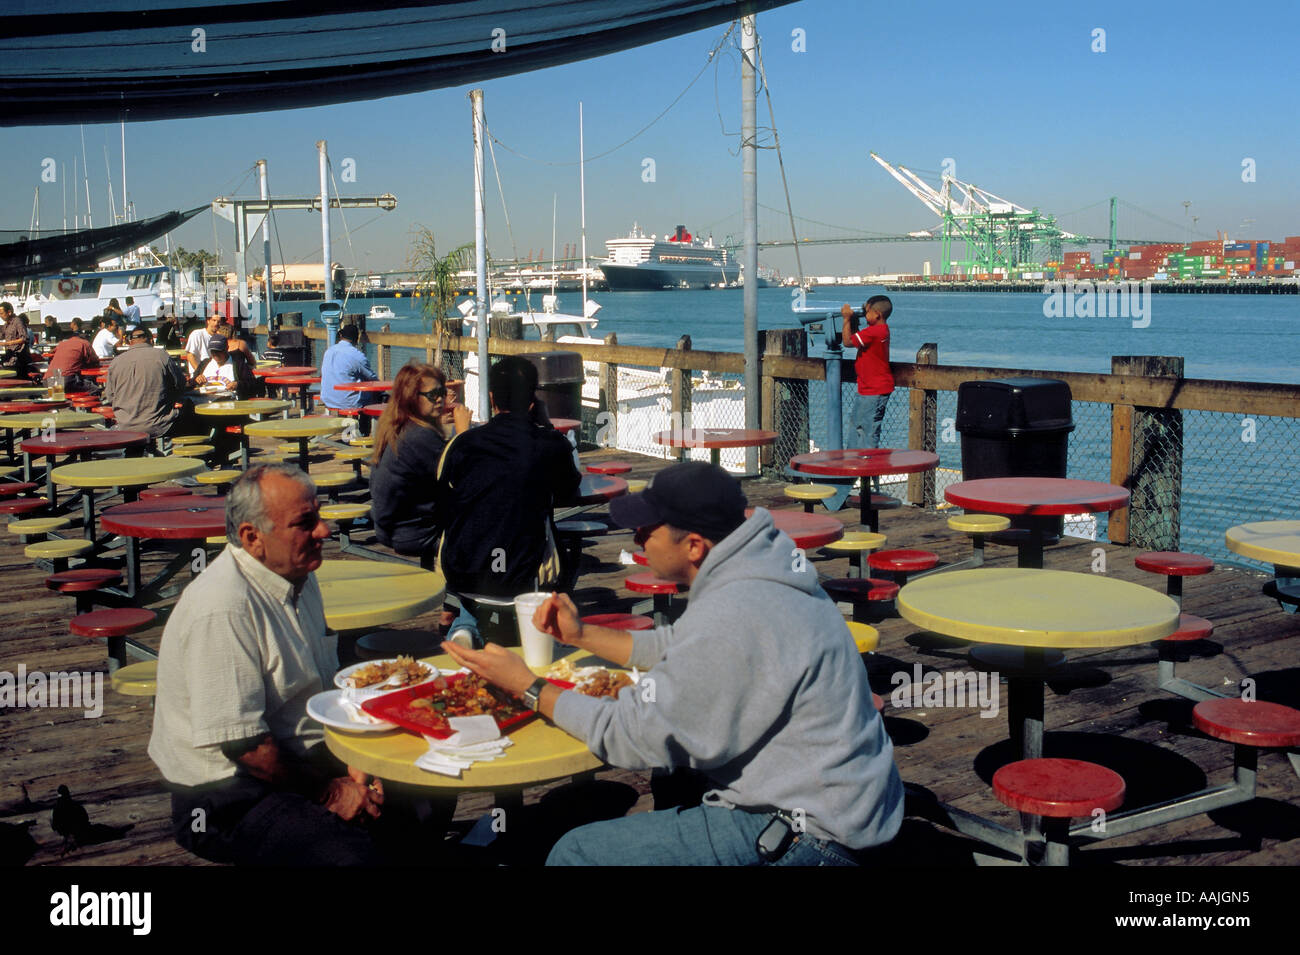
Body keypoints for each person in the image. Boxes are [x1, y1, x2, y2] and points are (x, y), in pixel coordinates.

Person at [443, 461, 904, 866]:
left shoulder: (736, 609)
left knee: (575, 852)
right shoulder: (765, 570)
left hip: (813, 838)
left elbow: (638, 736)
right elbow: (683, 647)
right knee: (674, 784)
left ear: (695, 546)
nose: (637, 536)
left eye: (649, 529)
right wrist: (580, 635)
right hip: (854, 805)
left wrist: (528, 687)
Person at [148, 464, 388, 865]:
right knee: (347, 854)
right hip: (224, 794)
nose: (324, 531)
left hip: (298, 754)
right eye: (305, 523)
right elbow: (246, 747)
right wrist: (334, 792)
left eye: (320, 516)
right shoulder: (223, 606)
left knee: (425, 789)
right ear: (251, 537)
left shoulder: (298, 575)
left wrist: (360, 762)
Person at [433, 355, 580, 616]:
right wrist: (544, 424)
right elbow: (569, 490)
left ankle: (464, 624)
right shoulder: (551, 445)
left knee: (479, 598)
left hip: (463, 573)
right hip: (522, 577)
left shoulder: (461, 445)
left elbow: (442, 501)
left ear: (491, 398)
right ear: (533, 401)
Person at [369, 363, 471, 560]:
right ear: (412, 398)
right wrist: (463, 433)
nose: (440, 399)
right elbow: (462, 473)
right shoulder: (418, 436)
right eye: (433, 395)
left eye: (442, 391)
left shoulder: (399, 425)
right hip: (413, 533)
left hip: (390, 526)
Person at [102, 324, 194, 437]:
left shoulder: (116, 362)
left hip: (125, 426)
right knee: (191, 412)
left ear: (130, 342)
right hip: (160, 425)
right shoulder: (162, 356)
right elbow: (181, 385)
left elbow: (111, 397)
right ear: (151, 340)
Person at [842, 295, 894, 450]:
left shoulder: (874, 332)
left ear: (877, 314)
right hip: (868, 388)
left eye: (867, 312)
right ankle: (854, 464)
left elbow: (848, 341)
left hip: (873, 389)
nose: (865, 314)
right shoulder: (881, 330)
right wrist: (854, 321)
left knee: (867, 430)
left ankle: (867, 466)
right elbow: (858, 340)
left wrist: (846, 319)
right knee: (858, 427)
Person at [319, 324, 378, 411]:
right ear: (357, 339)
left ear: (341, 336)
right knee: (375, 395)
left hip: (328, 399)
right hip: (349, 403)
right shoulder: (357, 356)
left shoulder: (328, 351)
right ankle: (366, 423)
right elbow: (372, 378)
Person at [44, 328, 100, 392]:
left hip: (48, 380)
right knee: (95, 390)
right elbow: (94, 361)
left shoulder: (62, 344)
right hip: (66, 380)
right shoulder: (85, 343)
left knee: (61, 396)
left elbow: (51, 353)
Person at [0, 302, 37, 380]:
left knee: (18, 379)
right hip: (10, 357)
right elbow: (2, 335)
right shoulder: (6, 324)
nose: (1, 316)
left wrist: (7, 343)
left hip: (19, 359)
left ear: (9, 312)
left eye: (2, 313)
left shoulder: (18, 321)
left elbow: (24, 338)